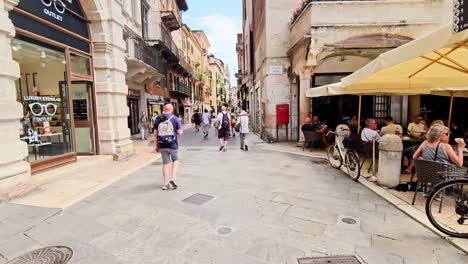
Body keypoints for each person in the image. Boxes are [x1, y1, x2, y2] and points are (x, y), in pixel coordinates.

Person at [153, 104, 183, 190]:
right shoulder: (175, 119)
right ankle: (173, 179)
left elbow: (155, 135)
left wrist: (156, 146)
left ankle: (165, 184)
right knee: (175, 160)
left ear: (164, 109)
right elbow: (180, 133)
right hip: (173, 144)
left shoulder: (158, 119)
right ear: (172, 110)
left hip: (162, 144)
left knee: (166, 163)